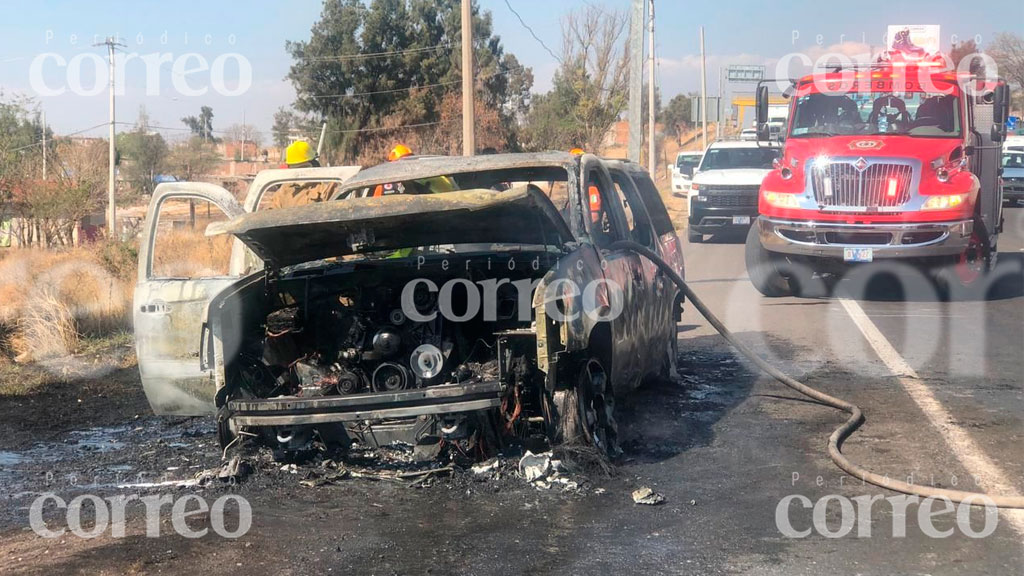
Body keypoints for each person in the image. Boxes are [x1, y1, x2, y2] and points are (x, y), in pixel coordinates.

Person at [266, 141, 338, 209]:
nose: (301, 173)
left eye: (304, 167)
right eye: (296, 168)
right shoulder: (283, 191)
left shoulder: (324, 189)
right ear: (314, 164)